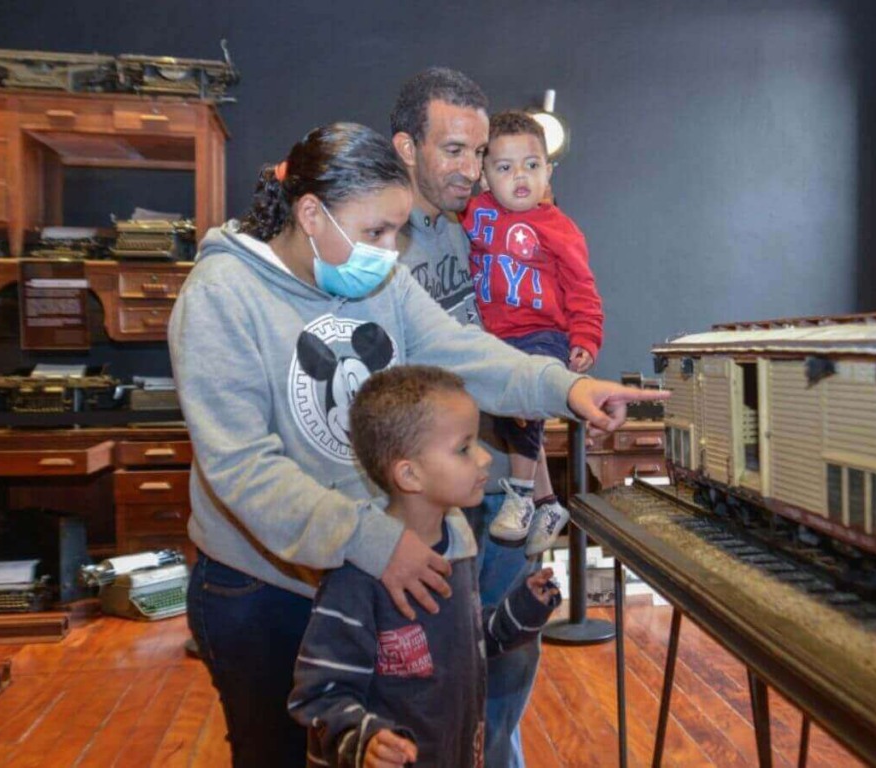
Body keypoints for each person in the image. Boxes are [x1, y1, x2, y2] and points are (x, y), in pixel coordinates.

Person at [170, 121, 664, 767]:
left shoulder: (377, 279)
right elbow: (243, 468)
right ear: (312, 213)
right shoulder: (219, 296)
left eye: (398, 231)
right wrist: (373, 543)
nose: (390, 249)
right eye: (375, 232)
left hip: (371, 569)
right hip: (263, 587)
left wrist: (564, 389)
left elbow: (466, 354)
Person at [288, 365, 560, 768]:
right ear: (409, 474)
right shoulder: (356, 576)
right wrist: (366, 741)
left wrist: (518, 611)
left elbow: (465, 642)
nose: (485, 457)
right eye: (464, 447)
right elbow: (318, 693)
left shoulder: (460, 544)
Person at [390, 67, 543, 767]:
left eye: (479, 153)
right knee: (431, 678)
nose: (472, 170)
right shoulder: (372, 243)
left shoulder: (458, 234)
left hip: (489, 480)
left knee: (511, 649)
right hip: (420, 502)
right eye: (453, 150)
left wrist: (527, 461)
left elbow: (482, 354)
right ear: (405, 148)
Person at [464, 110, 604, 556]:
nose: (519, 176)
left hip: (543, 334)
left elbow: (583, 288)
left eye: (531, 165)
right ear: (484, 177)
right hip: (496, 338)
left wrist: (585, 338)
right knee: (513, 419)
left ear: (548, 172)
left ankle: (522, 495)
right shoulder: (476, 212)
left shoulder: (559, 228)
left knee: (521, 402)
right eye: (504, 168)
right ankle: (548, 502)